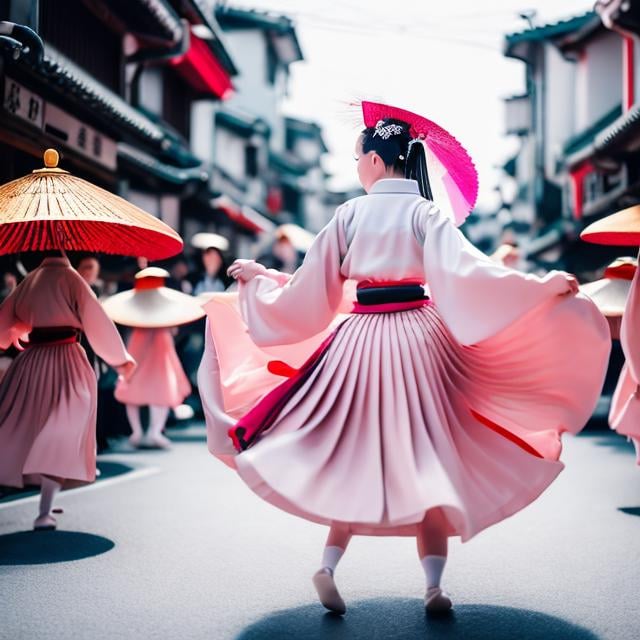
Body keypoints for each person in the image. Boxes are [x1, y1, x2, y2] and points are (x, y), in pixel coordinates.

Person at [198, 107, 609, 615]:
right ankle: (434, 586)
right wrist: (539, 286)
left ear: (374, 159)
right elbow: (470, 275)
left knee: (349, 456)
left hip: (360, 343)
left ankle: (327, 566)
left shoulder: (348, 214)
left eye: (356, 159)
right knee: (430, 456)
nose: (356, 167)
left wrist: (260, 283)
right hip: (420, 338)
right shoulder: (427, 213)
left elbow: (312, 291)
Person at [0, 253, 135, 530]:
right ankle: (45, 508)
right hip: (66, 360)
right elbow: (97, 322)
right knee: (62, 430)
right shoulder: (71, 278)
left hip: (30, 363)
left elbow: (6, 321)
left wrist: (19, 331)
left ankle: (46, 502)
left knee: (28, 427)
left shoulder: (30, 280)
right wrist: (120, 359)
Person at [106, 268, 203, 448]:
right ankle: (143, 431)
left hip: (157, 341)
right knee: (139, 387)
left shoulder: (158, 301)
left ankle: (151, 431)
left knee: (158, 389)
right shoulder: (141, 302)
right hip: (146, 339)